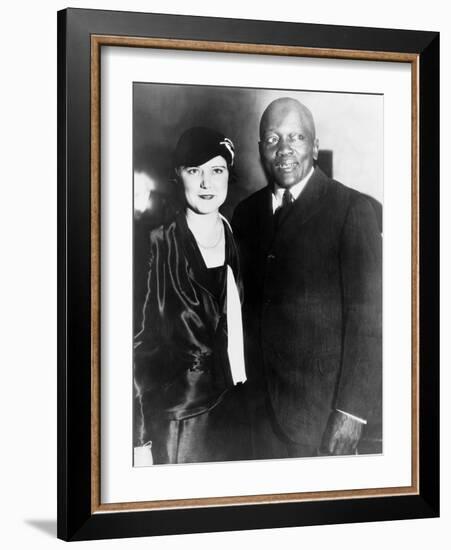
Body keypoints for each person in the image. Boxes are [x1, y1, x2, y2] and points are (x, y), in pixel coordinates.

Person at [232, 97, 382, 459]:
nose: (284, 149)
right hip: (253, 416)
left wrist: (351, 414)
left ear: (314, 147)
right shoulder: (245, 214)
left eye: (296, 137)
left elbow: (369, 321)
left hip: (320, 421)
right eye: (272, 139)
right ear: (259, 150)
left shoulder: (352, 209)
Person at [133, 126, 250, 465]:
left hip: (237, 419)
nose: (206, 183)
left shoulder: (239, 240)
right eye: (194, 170)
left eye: (217, 170)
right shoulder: (156, 244)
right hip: (177, 424)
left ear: (229, 175)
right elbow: (136, 347)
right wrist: (139, 442)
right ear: (177, 175)